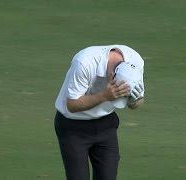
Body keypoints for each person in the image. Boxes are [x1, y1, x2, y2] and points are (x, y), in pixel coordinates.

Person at [54, 45, 145, 180]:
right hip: (73, 127)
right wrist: (105, 96)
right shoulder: (84, 62)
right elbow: (72, 105)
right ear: (111, 75)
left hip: (106, 124)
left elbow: (136, 104)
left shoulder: (135, 63)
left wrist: (134, 100)